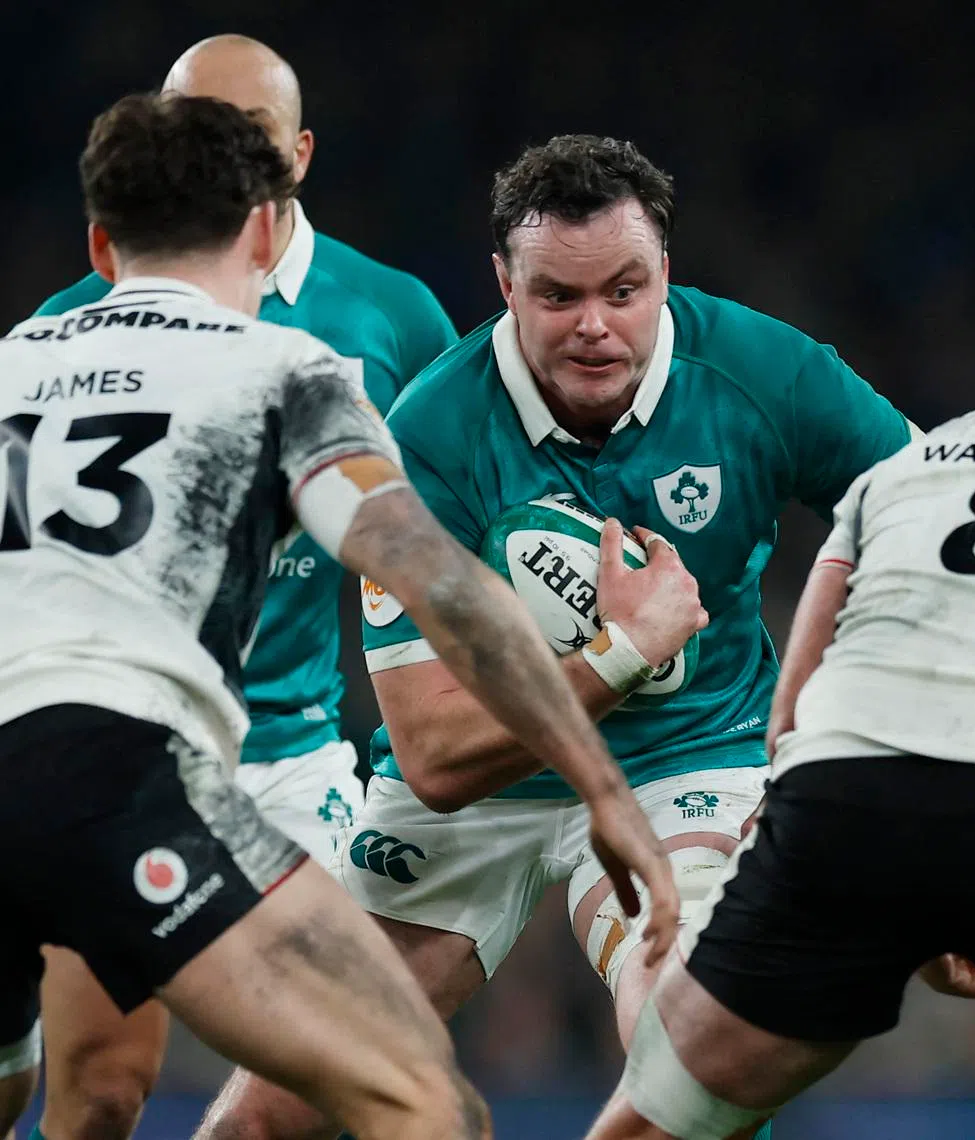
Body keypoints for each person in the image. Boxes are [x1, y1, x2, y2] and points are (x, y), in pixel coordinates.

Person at [195, 133, 916, 1140]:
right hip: (482, 792)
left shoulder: (767, 373)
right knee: (266, 1118)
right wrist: (624, 653)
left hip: (685, 763)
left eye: (624, 291)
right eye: (557, 297)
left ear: (666, 272)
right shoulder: (429, 432)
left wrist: (843, 723)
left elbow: (927, 526)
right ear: (503, 283)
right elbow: (436, 758)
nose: (594, 327)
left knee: (692, 1035)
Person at [0, 91, 678, 1140]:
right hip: (111, 765)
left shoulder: (10, 363)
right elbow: (439, 582)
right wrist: (603, 788)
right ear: (266, 231)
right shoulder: (277, 373)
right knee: (423, 1101)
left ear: (99, 243)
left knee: (32, 1094)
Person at [584, 207, 975, 1140]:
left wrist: (919, 895)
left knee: (661, 1119)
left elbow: (791, 716)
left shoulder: (926, 456)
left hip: (842, 803)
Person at [29, 34, 456, 1140]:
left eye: (250, 133)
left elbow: (443, 525)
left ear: (299, 154)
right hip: (118, 752)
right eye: (188, 128)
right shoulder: (70, 320)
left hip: (292, 755)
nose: (218, 152)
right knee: (103, 1087)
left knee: (344, 1087)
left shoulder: (391, 316)